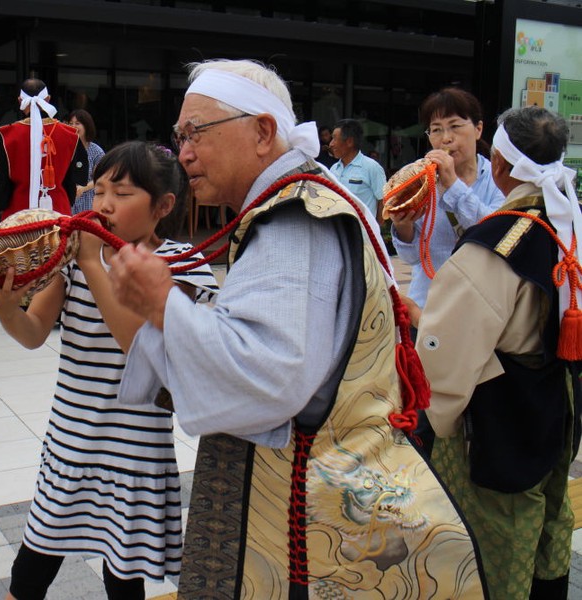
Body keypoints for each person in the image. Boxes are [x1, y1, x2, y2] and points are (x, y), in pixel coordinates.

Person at [107, 59, 486, 599]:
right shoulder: (300, 199)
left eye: (195, 133)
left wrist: (165, 305)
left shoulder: (293, 219)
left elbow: (267, 376)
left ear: (263, 132)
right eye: (179, 136)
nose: (183, 153)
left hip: (308, 520)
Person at [0, 142, 218, 600]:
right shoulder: (71, 260)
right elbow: (33, 333)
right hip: (70, 441)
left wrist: (91, 261)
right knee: (29, 575)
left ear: (163, 206)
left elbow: (138, 346)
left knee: (123, 581)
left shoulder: (180, 265)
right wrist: (5, 308)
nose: (103, 204)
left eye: (122, 194)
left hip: (134, 451)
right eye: (99, 190)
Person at [417, 106, 579, 600]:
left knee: (498, 525)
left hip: (504, 409)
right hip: (557, 395)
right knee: (548, 505)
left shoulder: (501, 240)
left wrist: (433, 417)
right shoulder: (566, 221)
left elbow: (451, 345)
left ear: (502, 164)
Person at [391, 88, 505, 313]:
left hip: (482, 311)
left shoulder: (498, 178)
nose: (446, 138)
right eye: (436, 130)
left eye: (455, 126)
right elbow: (413, 259)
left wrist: (452, 185)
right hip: (428, 308)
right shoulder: (420, 182)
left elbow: (496, 235)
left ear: (478, 129)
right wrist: (403, 228)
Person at [0, 78, 88, 220]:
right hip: (58, 209)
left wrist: (1, 204)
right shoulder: (70, 135)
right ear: (48, 99)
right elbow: (74, 179)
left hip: (18, 211)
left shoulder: (6, 136)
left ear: (20, 100)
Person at [329, 118, 386, 223]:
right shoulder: (333, 169)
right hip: (336, 229)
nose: (331, 144)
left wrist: (375, 228)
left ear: (349, 142)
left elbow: (383, 200)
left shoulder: (372, 167)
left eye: (334, 139)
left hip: (363, 230)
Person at [67, 108, 105, 214]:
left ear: (86, 126)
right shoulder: (65, 148)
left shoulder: (96, 151)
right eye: (71, 123)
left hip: (89, 201)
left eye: (77, 123)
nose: (73, 126)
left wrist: (83, 188)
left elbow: (101, 177)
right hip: (68, 200)